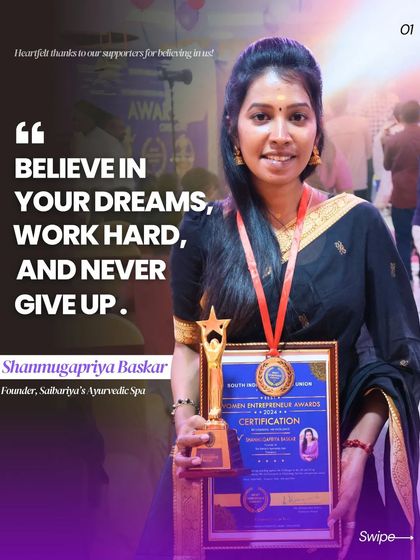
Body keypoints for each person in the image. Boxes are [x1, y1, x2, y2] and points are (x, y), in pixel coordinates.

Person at [138, 38, 420, 560]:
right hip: (218, 474)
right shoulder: (203, 231)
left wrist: (358, 449)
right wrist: (184, 421)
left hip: (330, 472)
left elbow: (395, 359)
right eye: (261, 116)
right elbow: (187, 347)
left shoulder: (356, 226)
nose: (280, 135)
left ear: (317, 128)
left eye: (297, 116)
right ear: (233, 127)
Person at [383, 100, 420, 281]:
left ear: (402, 117)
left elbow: (387, 165)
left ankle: (406, 278)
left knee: (403, 239)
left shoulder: (394, 140)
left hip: (401, 197)